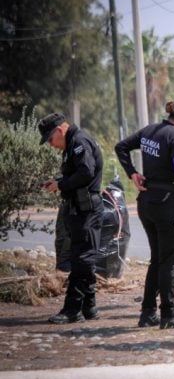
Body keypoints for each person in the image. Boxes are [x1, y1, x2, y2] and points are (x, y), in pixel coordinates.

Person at [115, 101, 174, 329]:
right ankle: (169, 315)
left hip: (147, 203)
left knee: (157, 259)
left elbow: (120, 147)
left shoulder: (149, 131)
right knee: (168, 261)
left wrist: (132, 173)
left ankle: (148, 312)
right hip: (167, 206)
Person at [38, 113, 103, 324]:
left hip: (88, 210)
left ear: (60, 130)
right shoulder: (72, 143)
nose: (51, 145)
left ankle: (72, 309)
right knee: (84, 258)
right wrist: (58, 181)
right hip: (80, 209)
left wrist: (62, 185)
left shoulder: (79, 141)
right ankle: (89, 306)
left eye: (50, 139)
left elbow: (86, 172)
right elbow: (76, 173)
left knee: (81, 259)